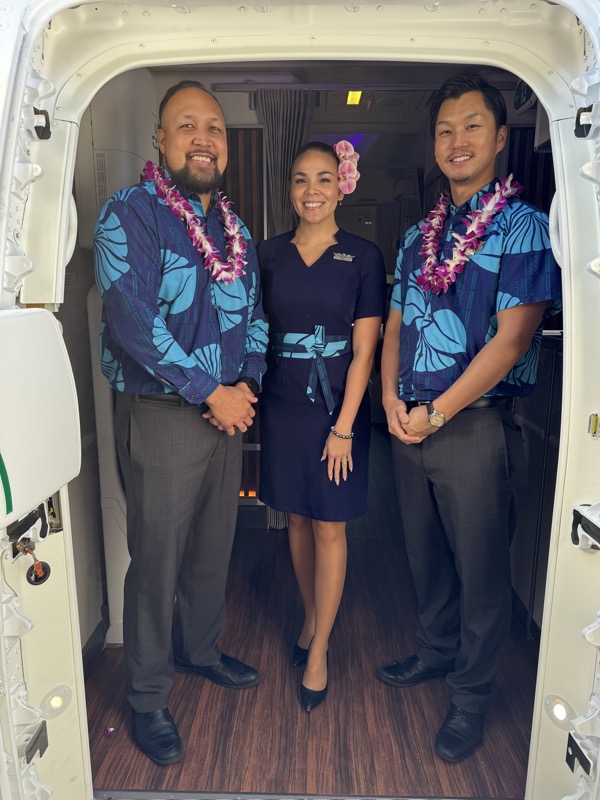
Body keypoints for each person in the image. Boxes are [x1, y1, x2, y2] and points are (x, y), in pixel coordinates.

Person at [377, 74, 561, 762]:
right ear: (434, 143)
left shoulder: (524, 227)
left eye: (472, 127)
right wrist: (394, 403)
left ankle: (471, 697)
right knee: (422, 554)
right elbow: (396, 324)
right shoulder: (417, 235)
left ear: (499, 137)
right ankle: (433, 651)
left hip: (473, 427)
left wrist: (435, 413)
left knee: (481, 570)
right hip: (409, 423)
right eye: (446, 130)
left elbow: (511, 341)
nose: (458, 141)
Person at [93, 80, 268, 766]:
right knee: (158, 559)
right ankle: (146, 695)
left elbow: (255, 315)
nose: (204, 138)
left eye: (215, 128)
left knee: (210, 546)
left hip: (227, 410)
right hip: (164, 411)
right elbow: (130, 320)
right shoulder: (128, 213)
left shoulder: (237, 228)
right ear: (161, 141)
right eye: (187, 126)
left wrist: (245, 384)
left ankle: (199, 652)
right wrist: (210, 390)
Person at [258, 140, 387, 711]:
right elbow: (253, 332)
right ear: (290, 188)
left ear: (343, 185)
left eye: (324, 180)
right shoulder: (268, 254)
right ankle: (311, 617)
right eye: (301, 180)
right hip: (283, 405)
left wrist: (343, 428)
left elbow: (365, 353)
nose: (312, 191)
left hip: (339, 409)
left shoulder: (363, 256)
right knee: (296, 520)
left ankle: (320, 650)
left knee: (329, 525)